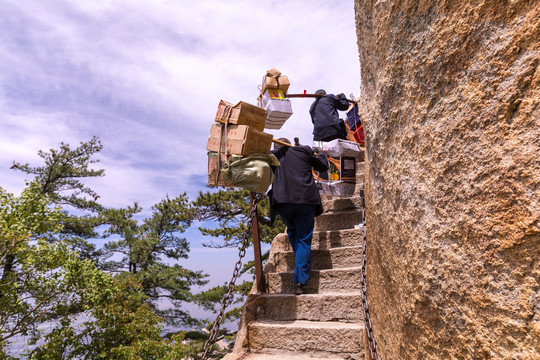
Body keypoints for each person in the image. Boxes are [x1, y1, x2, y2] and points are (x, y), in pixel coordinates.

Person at [269, 138, 329, 295]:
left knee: (293, 234)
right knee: (303, 239)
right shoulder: (304, 150)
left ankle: (300, 265)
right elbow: (323, 166)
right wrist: (320, 154)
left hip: (282, 202)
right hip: (304, 200)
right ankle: (300, 282)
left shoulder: (272, 156)